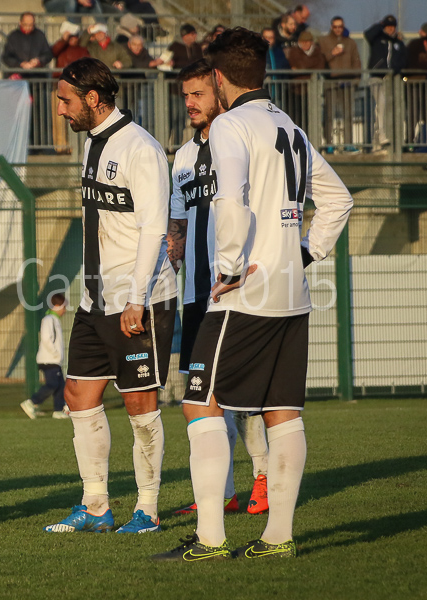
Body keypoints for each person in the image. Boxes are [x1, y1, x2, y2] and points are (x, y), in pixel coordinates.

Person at [150, 27, 352, 562]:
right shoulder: (290, 126)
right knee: (283, 411)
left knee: (200, 403)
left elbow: (231, 201)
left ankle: (210, 540)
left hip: (245, 294)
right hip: (291, 292)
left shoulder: (230, 125)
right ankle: (277, 539)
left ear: (219, 78)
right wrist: (304, 253)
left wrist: (230, 268)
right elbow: (339, 201)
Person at [45, 57, 177, 535]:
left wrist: (136, 298)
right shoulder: (91, 145)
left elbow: (154, 229)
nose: (61, 109)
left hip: (138, 299)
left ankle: (148, 509)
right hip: (95, 300)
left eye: (66, 100)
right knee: (78, 395)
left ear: (93, 98)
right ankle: (96, 504)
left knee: (140, 405)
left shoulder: (141, 148)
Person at [164, 59, 270, 519]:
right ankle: (223, 491)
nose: (190, 103)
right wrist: (168, 264)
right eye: (185, 95)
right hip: (196, 296)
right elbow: (178, 226)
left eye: (199, 94)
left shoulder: (240, 140)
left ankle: (263, 476)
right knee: (202, 396)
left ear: (219, 91)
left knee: (244, 395)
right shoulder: (184, 158)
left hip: (239, 290)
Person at [21, 293, 68, 420]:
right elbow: (46, 339)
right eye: (64, 307)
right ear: (57, 306)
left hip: (54, 360)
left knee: (60, 385)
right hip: (48, 360)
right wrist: (55, 353)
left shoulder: (55, 320)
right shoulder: (49, 320)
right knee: (53, 384)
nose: (65, 310)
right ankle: (31, 402)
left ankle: (58, 410)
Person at [319, 16, 362, 152]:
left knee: (348, 114)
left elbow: (356, 61)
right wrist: (332, 53)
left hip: (348, 82)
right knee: (329, 114)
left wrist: (356, 79)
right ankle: (329, 143)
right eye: (335, 26)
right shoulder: (323, 41)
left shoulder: (350, 42)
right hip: (331, 81)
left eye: (340, 26)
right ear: (331, 27)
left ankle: (348, 143)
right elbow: (319, 60)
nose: (338, 29)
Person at [365, 15, 406, 151]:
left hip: (391, 80)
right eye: (387, 26)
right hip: (377, 77)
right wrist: (380, 24)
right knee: (380, 106)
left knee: (389, 108)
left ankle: (388, 139)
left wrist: (394, 70)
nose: (390, 29)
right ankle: (379, 137)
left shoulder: (398, 43)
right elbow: (368, 34)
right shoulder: (377, 39)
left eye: (392, 26)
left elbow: (403, 60)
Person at [51, 21, 88, 153]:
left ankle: (75, 146)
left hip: (76, 88)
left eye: (75, 36)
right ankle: (60, 146)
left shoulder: (83, 50)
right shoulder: (61, 48)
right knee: (59, 117)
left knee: (75, 116)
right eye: (71, 36)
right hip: (59, 86)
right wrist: (63, 39)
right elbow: (52, 52)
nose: (73, 39)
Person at [285, 30, 326, 131]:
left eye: (307, 41)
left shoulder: (317, 52)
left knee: (309, 117)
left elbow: (320, 66)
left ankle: (305, 137)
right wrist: (310, 68)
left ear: (311, 42)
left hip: (311, 91)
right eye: (303, 42)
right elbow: (294, 66)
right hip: (295, 89)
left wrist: (301, 68)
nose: (305, 44)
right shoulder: (294, 51)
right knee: (295, 117)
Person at [1, 12, 52, 77]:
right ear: (20, 23)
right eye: (25, 24)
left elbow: (48, 54)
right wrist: (20, 64)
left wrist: (38, 61)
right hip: (17, 75)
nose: (28, 27)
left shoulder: (40, 35)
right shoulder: (13, 36)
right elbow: (6, 57)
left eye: (31, 25)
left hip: (37, 75)